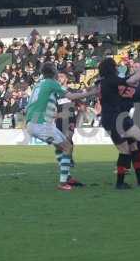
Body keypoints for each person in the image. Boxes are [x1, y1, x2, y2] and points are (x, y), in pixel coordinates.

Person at [26, 63, 96, 191]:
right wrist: (93, 92)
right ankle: (63, 183)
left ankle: (67, 177)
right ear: (54, 73)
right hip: (40, 123)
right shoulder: (51, 83)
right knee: (67, 147)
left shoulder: (39, 84)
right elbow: (71, 96)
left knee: (61, 148)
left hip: (36, 122)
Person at [99, 58, 140, 189]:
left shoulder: (105, 82)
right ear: (111, 68)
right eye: (115, 66)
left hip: (115, 118)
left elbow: (128, 83)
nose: (116, 68)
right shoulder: (111, 79)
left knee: (134, 146)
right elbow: (131, 80)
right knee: (127, 149)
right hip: (115, 119)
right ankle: (123, 182)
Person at [55, 72, 77, 167]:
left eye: (61, 77)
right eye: (58, 77)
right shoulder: (56, 92)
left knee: (69, 138)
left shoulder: (71, 91)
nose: (59, 78)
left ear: (66, 79)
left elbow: (79, 103)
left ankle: (70, 158)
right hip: (59, 118)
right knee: (61, 140)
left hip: (70, 118)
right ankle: (64, 158)